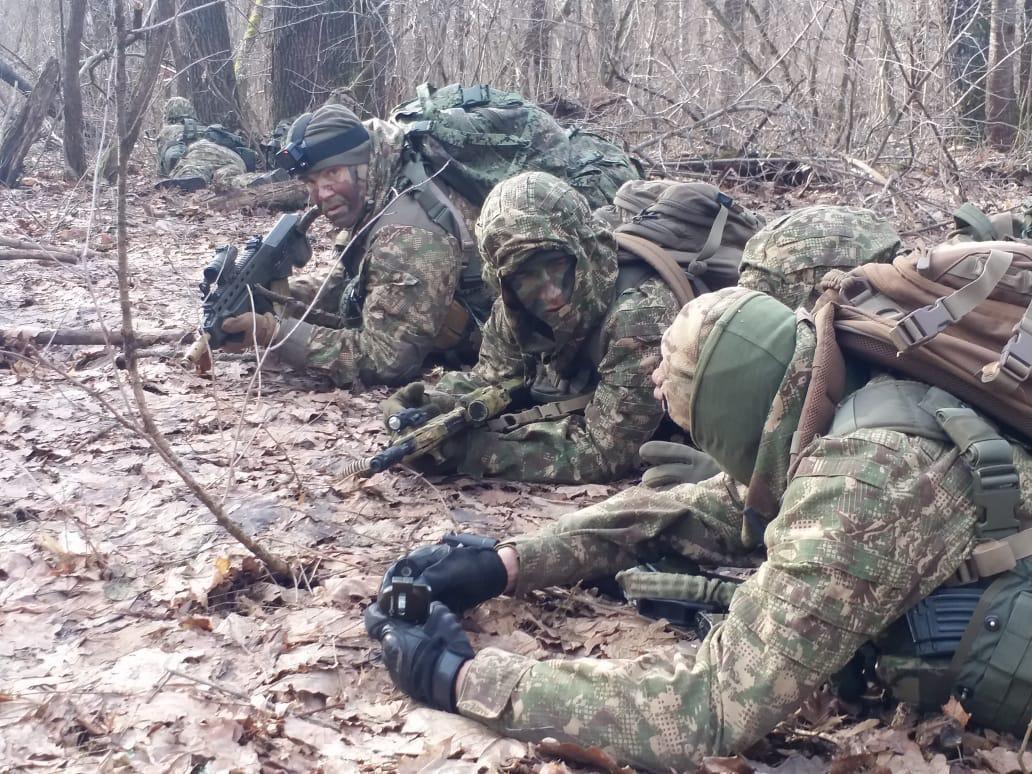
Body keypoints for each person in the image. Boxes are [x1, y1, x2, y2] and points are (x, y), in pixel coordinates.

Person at [365, 285, 1032, 771]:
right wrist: (508, 561)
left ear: (729, 415)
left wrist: (458, 678)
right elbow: (702, 506)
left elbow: (705, 710)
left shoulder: (860, 483)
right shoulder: (840, 381)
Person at [379, 170, 683, 483]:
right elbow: (493, 379)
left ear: (585, 249)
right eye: (526, 277)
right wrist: (429, 406)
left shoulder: (639, 314)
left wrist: (475, 452)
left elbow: (605, 453)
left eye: (557, 266)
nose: (549, 293)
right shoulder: (514, 306)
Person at [218, 102, 494, 387]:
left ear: (360, 163)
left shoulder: (407, 233)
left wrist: (273, 334)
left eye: (332, 173)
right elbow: (354, 285)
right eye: (311, 181)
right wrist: (272, 300)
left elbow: (384, 359)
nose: (321, 194)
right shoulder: (378, 186)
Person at [154, 97, 280, 192]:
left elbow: (162, 169)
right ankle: (259, 180)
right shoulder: (204, 127)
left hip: (201, 153)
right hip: (233, 157)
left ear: (168, 116)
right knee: (228, 179)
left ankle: (191, 176)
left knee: (192, 173)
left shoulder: (168, 130)